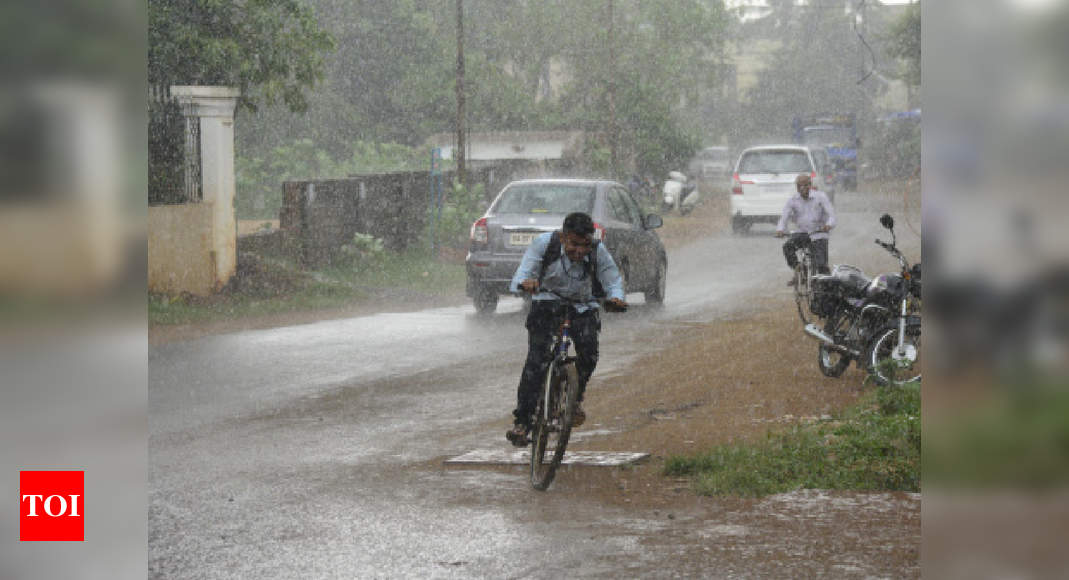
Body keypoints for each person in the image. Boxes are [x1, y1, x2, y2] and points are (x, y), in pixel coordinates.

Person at [505, 212, 628, 446]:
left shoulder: (597, 251)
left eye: (584, 245)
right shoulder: (544, 245)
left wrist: (616, 298)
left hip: (582, 306)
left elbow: (612, 279)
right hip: (547, 302)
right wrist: (526, 282)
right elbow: (524, 272)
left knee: (589, 353)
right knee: (536, 362)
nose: (579, 251)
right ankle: (522, 422)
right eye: (574, 244)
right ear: (563, 238)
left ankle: (575, 396)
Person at [775, 173, 836, 281]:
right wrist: (780, 229)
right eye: (799, 186)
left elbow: (831, 215)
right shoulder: (793, 200)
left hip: (819, 234)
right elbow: (784, 217)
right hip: (802, 234)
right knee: (787, 247)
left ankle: (827, 287)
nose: (802, 188)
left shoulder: (820, 197)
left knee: (821, 265)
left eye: (805, 185)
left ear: (810, 185)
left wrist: (828, 225)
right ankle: (799, 269)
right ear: (796, 187)